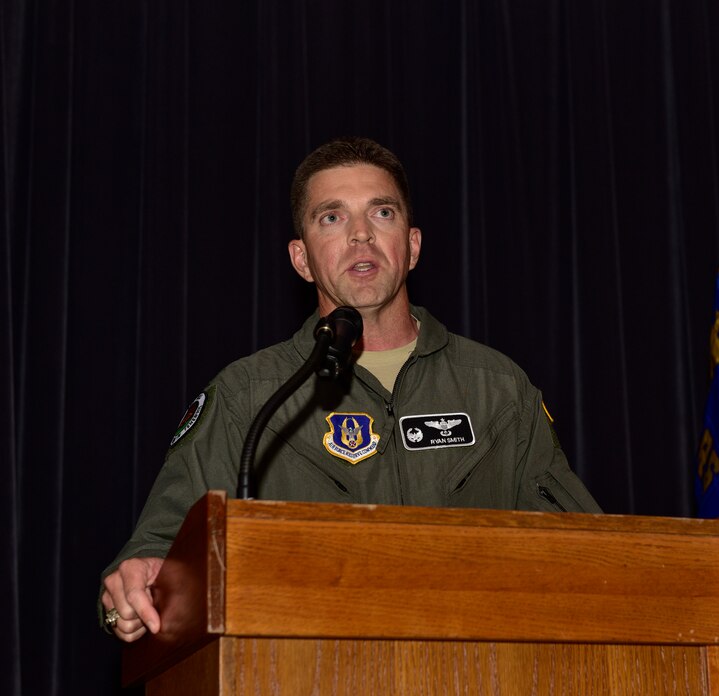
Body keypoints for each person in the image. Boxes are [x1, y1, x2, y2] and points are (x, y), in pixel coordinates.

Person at [100, 137, 601, 642]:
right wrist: (136, 582)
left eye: (381, 213)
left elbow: (588, 555)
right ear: (301, 259)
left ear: (411, 245)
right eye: (332, 218)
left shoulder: (497, 388)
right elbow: (158, 550)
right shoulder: (249, 395)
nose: (361, 235)